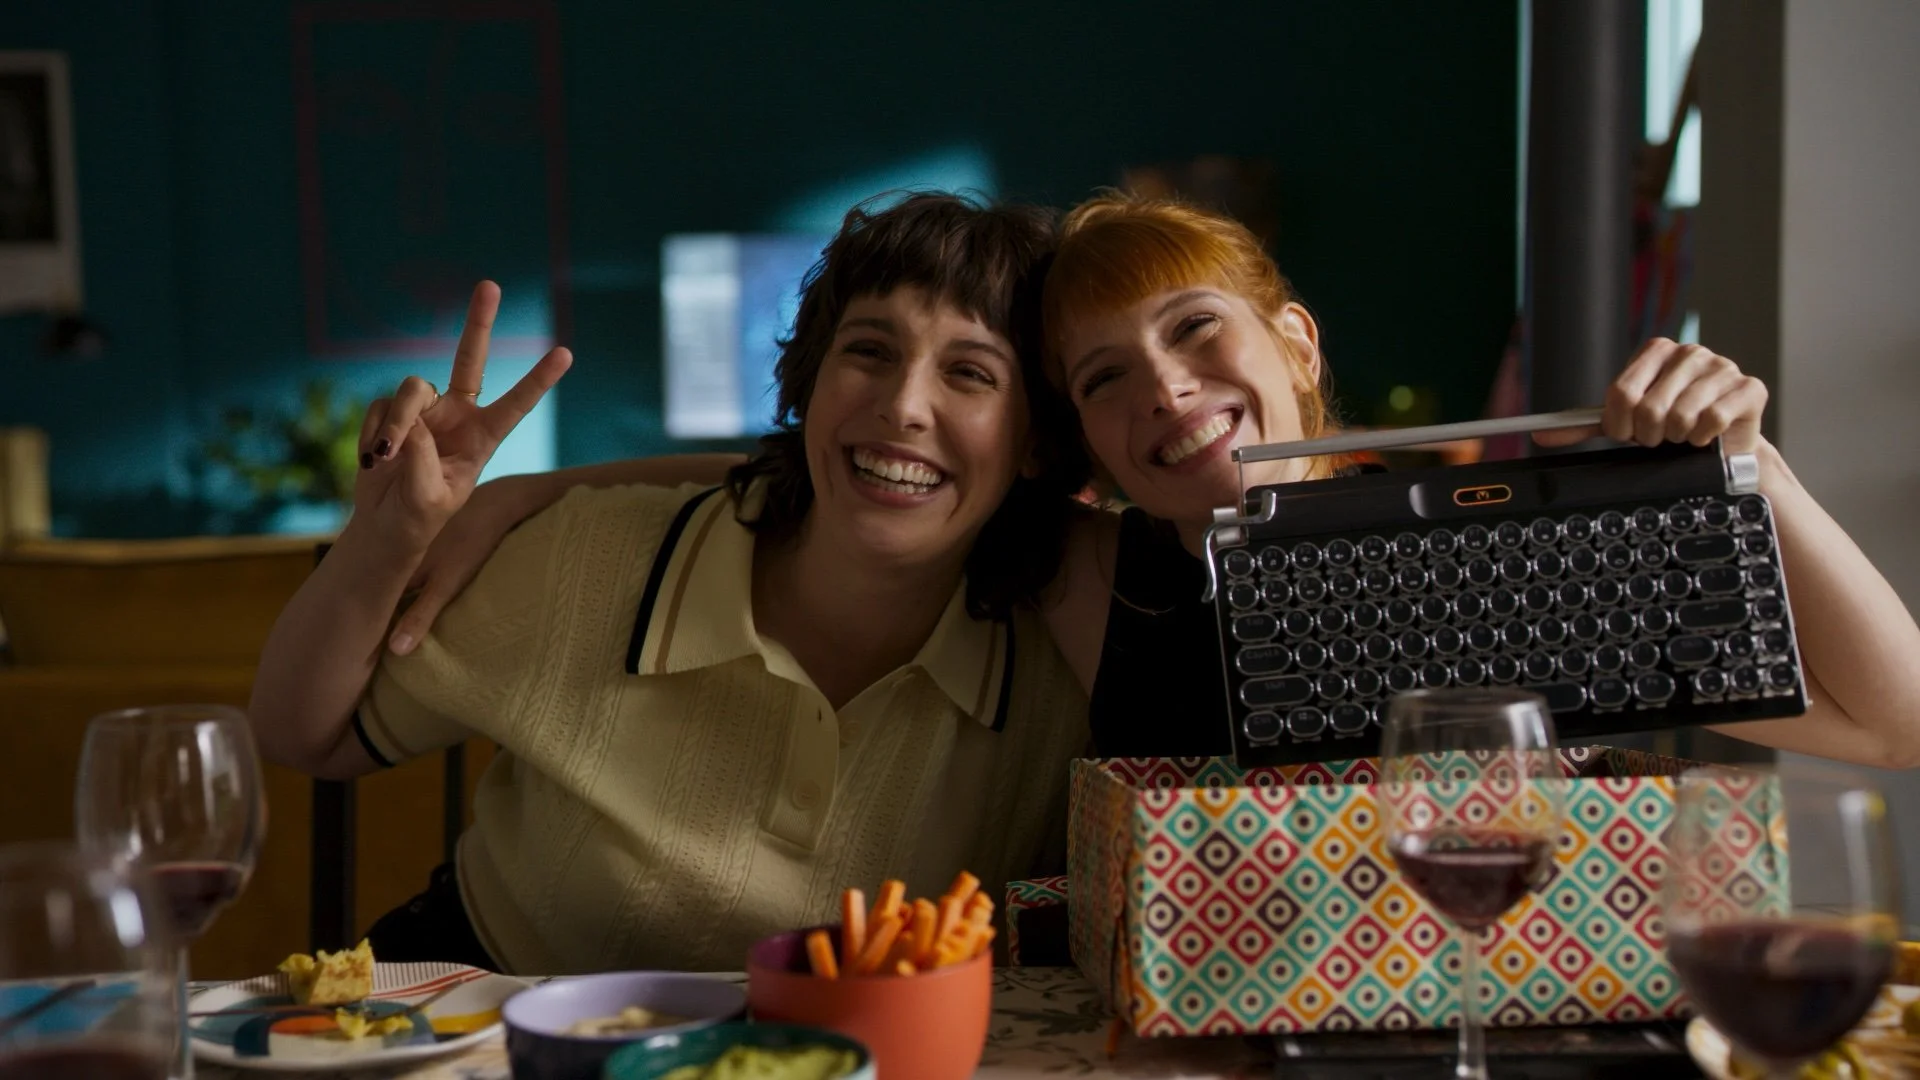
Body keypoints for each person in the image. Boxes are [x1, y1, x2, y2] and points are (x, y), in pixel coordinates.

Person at [394, 193, 1920, 771]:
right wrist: (536, 492)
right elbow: (864, 465)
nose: (1166, 395)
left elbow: (1899, 724)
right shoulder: (1089, 569)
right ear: (1081, 438)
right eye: (1104, 378)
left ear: (1294, 338)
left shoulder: (1495, 546)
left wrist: (1754, 471)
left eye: (1196, 336)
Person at [247, 194, 1092, 975]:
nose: (903, 404)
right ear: (811, 385)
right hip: (485, 1022)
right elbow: (306, 737)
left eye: (970, 373)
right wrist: (384, 541)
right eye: (868, 350)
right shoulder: (591, 554)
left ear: (1039, 441)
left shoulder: (1077, 646)